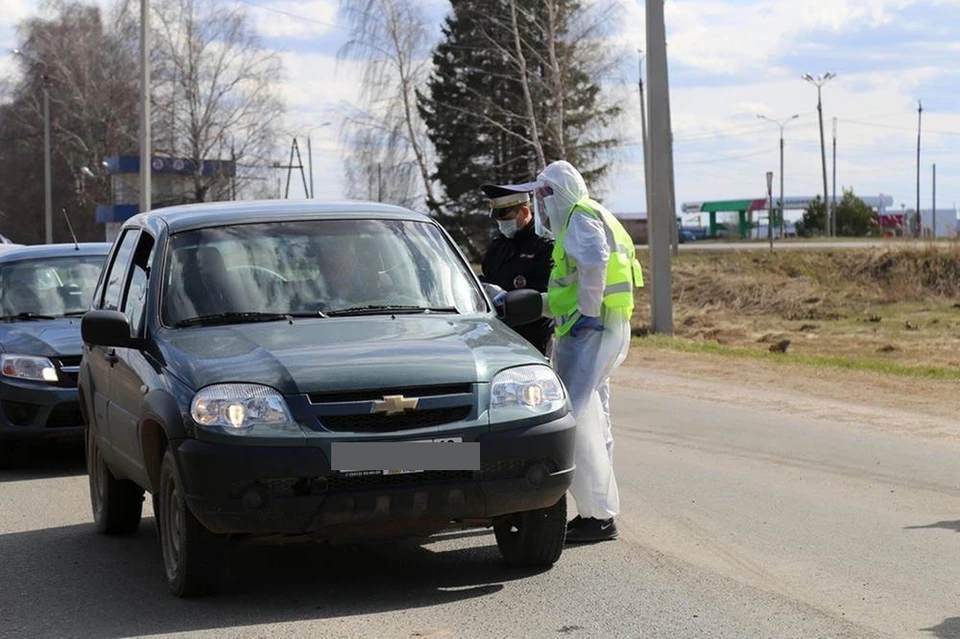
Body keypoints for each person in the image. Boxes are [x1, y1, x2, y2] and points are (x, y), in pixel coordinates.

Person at [530, 160, 644, 544]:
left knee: (573, 420)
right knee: (597, 415)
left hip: (592, 330)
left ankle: (597, 514)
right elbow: (577, 279)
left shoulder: (579, 217)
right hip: (603, 327)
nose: (542, 206)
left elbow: (595, 262)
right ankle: (598, 513)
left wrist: (587, 314)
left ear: (559, 194)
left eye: (545, 196)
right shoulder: (596, 213)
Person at [477, 183, 555, 357]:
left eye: (505, 220)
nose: (501, 225)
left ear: (525, 212)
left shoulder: (544, 248)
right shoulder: (498, 246)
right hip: (497, 338)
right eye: (498, 220)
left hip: (532, 342)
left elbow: (547, 298)